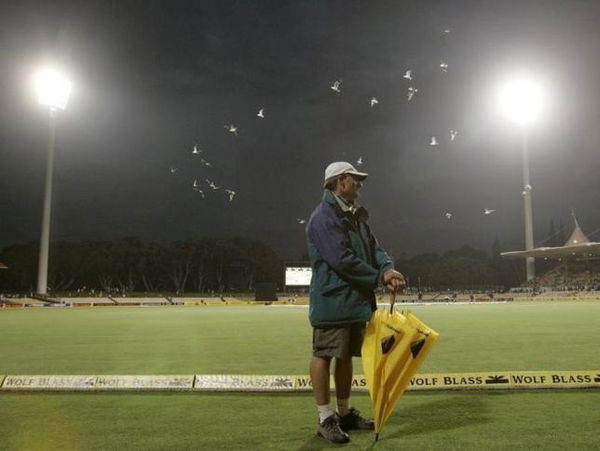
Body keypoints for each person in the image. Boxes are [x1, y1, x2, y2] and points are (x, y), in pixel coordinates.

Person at [306, 161, 405, 444]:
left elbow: (376, 248)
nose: (360, 184)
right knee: (323, 354)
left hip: (354, 299)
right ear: (341, 181)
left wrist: (387, 269)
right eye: (356, 179)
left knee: (346, 354)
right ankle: (325, 418)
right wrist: (379, 276)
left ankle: (345, 412)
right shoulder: (323, 216)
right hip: (332, 300)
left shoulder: (356, 215)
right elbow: (340, 259)